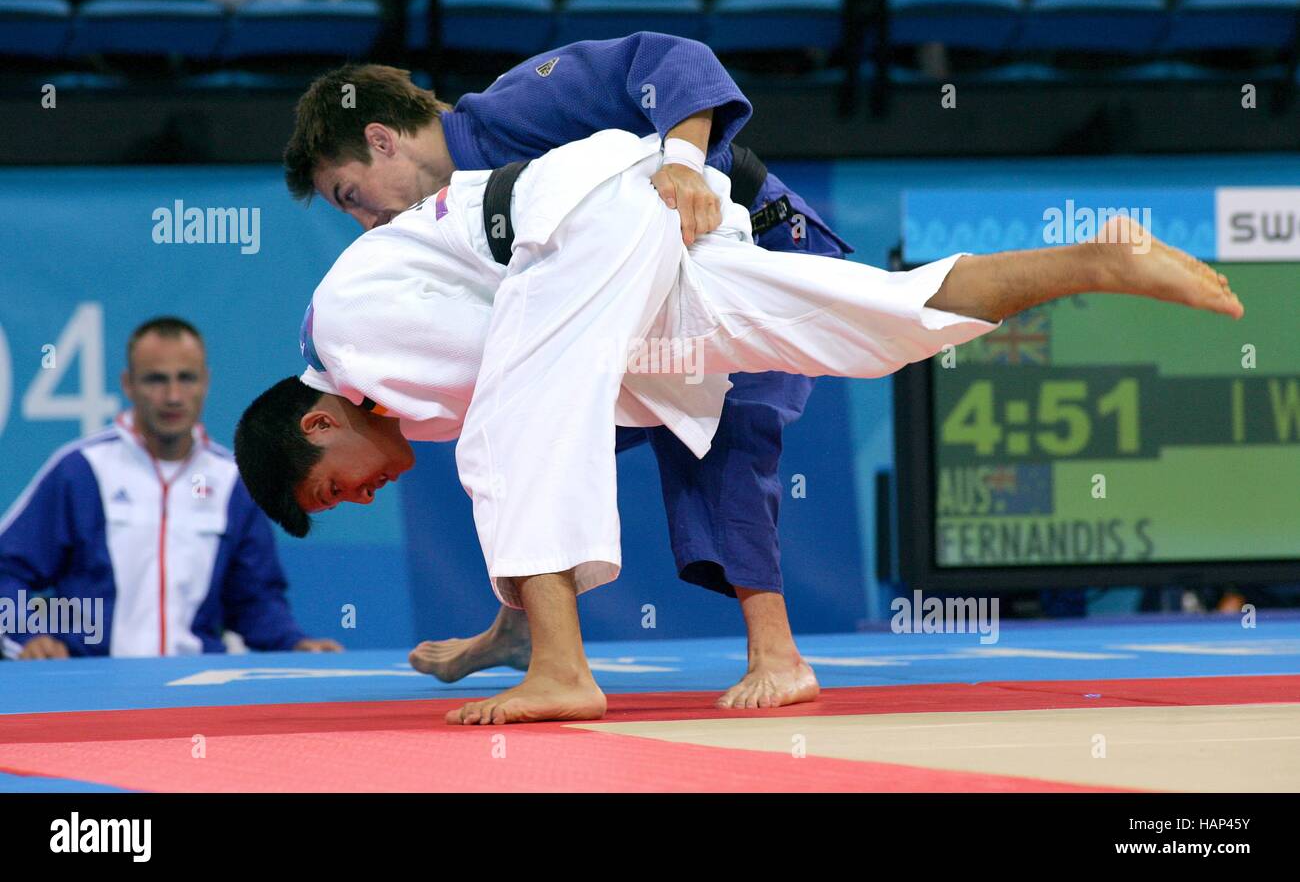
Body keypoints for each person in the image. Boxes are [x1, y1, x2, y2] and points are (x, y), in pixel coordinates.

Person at [237, 128, 1243, 723]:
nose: (366, 493)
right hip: (629, 247)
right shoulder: (400, 390)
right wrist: (696, 382)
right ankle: (1103, 261)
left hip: (581, 221)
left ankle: (562, 670)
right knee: (877, 325)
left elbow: (532, 384)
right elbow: (569, 373)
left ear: (320, 420)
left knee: (507, 430)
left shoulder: (348, 331)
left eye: (338, 484)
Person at [283, 44, 853, 709]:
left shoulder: (513, 108)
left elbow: (674, 59)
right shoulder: (441, 219)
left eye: (352, 196)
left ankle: (779, 655)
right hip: (656, 290)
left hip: (757, 240)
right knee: (520, 429)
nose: (364, 221)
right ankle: (526, 625)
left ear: (381, 140)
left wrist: (684, 164)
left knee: (725, 430)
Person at [0, 317, 342, 658]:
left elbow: (255, 601)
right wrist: (28, 638)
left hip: (195, 691)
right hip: (94, 690)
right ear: (128, 384)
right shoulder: (81, 470)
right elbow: (6, 572)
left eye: (186, 378)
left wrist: (294, 643)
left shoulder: (232, 482)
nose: (173, 396)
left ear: (205, 382)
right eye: (156, 380)